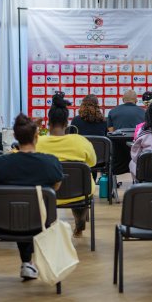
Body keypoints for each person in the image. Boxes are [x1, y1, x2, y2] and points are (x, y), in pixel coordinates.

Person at [0, 114, 64, 280]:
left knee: (19, 206)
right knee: (32, 207)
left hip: (6, 221)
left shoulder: (2, 162)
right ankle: (30, 263)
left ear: (15, 136)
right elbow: (55, 187)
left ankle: (27, 262)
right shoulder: (50, 162)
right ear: (36, 136)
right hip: (41, 221)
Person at [36, 92, 96, 237]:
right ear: (67, 123)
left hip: (46, 194)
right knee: (80, 181)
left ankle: (45, 224)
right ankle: (79, 222)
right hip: (80, 194)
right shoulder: (80, 141)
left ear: (48, 123)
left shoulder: (37, 142)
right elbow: (92, 163)